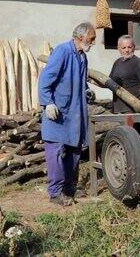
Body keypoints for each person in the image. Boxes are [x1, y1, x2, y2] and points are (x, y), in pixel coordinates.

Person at [38, 22, 95, 206]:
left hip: (75, 115)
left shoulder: (82, 57)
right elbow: (45, 79)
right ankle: (55, 193)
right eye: (91, 39)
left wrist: (87, 91)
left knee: (74, 151)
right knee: (55, 154)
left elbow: (81, 83)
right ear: (81, 37)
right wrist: (47, 103)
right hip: (58, 113)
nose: (93, 43)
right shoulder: (62, 51)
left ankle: (69, 189)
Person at [109, 35, 140, 113]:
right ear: (118, 48)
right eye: (124, 48)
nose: (127, 50)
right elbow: (110, 82)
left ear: (134, 47)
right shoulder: (117, 63)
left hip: (132, 110)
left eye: (129, 47)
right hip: (117, 109)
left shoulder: (139, 63)